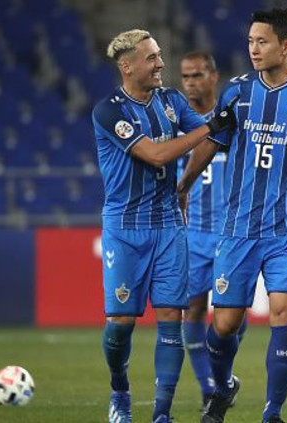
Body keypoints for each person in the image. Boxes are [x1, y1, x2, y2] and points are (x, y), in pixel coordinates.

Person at [178, 8, 287, 423]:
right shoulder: (235, 93)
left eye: (262, 41)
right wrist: (183, 185)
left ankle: (273, 412)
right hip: (237, 229)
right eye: (250, 41)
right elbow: (212, 142)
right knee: (224, 326)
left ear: (286, 46)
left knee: (284, 312)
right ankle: (223, 387)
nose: (253, 48)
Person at [92, 29, 237, 423]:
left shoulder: (171, 101)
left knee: (172, 319)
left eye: (159, 55)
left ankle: (161, 414)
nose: (161, 63)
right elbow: (156, 155)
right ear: (127, 67)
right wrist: (212, 126)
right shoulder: (109, 111)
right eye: (152, 58)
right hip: (125, 228)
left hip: (170, 224)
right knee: (120, 326)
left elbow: (207, 136)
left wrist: (226, 125)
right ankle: (120, 389)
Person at [176, 50, 248, 411]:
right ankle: (209, 386)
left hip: (230, 232)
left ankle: (223, 376)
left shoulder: (234, 120)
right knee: (191, 309)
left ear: (213, 76)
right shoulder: (177, 127)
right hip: (192, 233)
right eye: (185, 76)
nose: (190, 83)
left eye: (197, 75)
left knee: (232, 314)